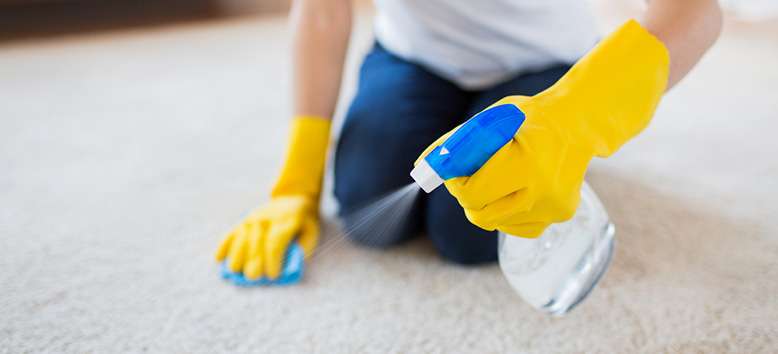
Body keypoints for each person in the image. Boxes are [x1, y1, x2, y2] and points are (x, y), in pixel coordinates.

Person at [215, 0, 723, 282]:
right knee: (367, 213)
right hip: (413, 57)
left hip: (544, 70)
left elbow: (696, 9)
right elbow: (322, 11)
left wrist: (575, 118)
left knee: (470, 232)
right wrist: (295, 183)